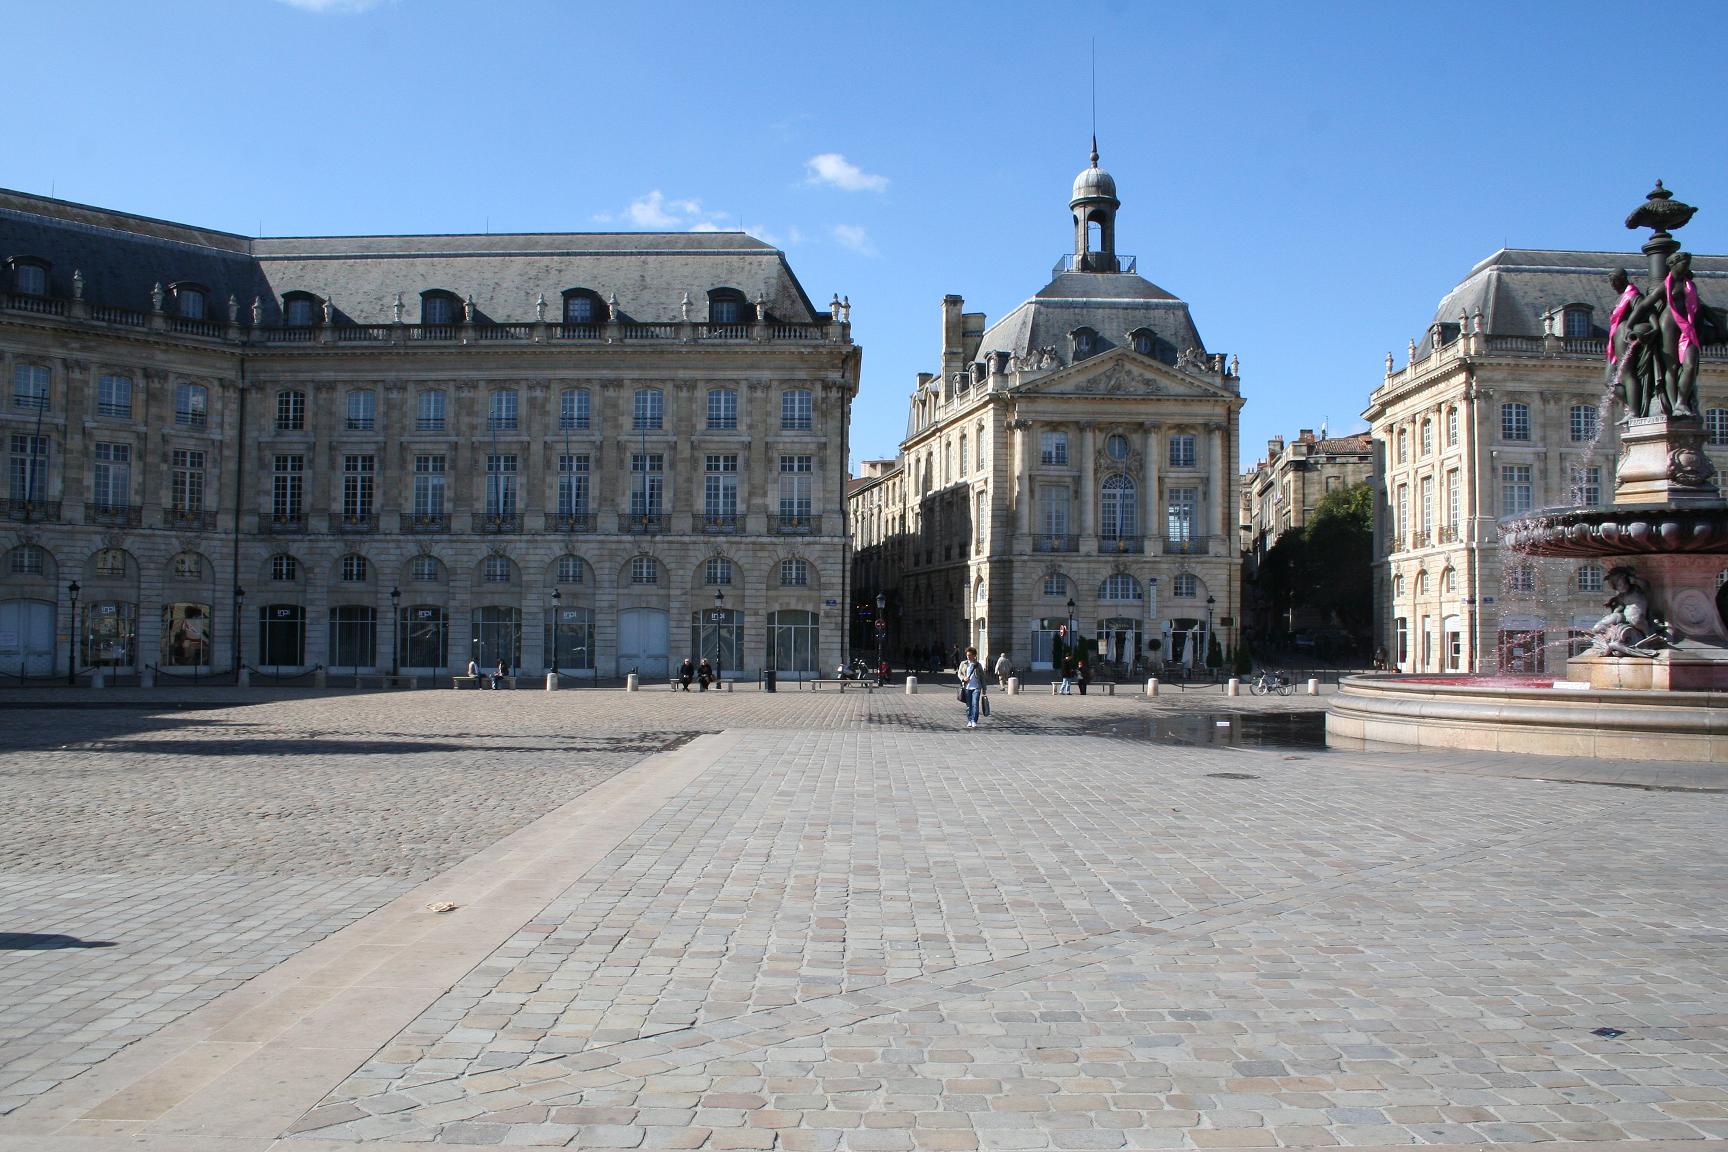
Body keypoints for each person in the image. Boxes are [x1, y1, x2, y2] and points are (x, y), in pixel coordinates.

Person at [956, 645, 984, 728]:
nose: (968, 657)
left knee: (975, 704)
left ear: (974, 655)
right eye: (967, 655)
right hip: (967, 687)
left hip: (976, 687)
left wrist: (984, 689)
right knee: (969, 705)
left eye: (970, 655)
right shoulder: (963, 663)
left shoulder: (978, 665)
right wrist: (963, 678)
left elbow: (982, 677)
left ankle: (974, 720)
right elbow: (959, 673)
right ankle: (969, 720)